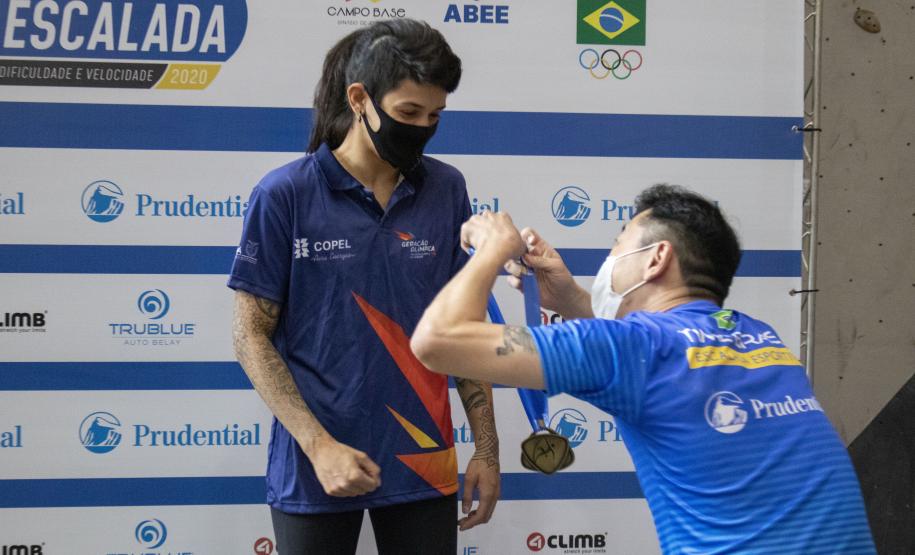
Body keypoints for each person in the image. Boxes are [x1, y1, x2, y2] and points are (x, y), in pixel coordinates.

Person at [411, 184, 877, 554]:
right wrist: (571, 298)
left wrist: (492, 249)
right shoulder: (757, 338)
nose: (609, 260)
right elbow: (641, 367)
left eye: (617, 246)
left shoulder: (636, 348)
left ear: (655, 259)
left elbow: (436, 340)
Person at [230, 19, 500, 555]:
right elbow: (250, 337)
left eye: (435, 117)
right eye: (408, 113)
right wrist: (317, 444)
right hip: (317, 465)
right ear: (360, 99)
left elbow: (463, 325)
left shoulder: (447, 189)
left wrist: (487, 450)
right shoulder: (283, 194)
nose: (422, 127)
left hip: (424, 458)